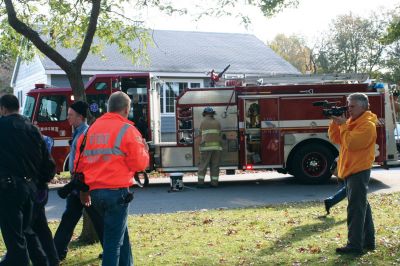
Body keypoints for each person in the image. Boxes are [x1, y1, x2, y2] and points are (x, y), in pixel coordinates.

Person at [76, 91, 149, 266]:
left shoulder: (89, 131)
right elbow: (139, 165)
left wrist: (83, 191)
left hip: (94, 194)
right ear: (126, 109)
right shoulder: (128, 130)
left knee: (119, 235)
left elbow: (79, 165)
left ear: (109, 108)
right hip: (117, 193)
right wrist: (144, 150)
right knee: (113, 244)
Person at [0, 94, 56, 266]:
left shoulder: (2, 127)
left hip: (8, 188)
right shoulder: (33, 130)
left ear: (3, 109)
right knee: (28, 233)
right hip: (30, 188)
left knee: (15, 239)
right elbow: (48, 164)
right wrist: (39, 183)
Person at [54, 101, 104, 261]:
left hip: (85, 186)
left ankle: (56, 252)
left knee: (98, 221)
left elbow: (87, 163)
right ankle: (56, 252)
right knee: (70, 219)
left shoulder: (86, 134)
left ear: (80, 117)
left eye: (70, 115)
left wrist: (84, 189)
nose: (67, 118)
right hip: (79, 185)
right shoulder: (78, 132)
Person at [328, 93, 377, 255]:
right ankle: (369, 242)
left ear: (363, 106)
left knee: (355, 209)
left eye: (352, 106)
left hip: (359, 170)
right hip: (350, 170)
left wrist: (343, 126)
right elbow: (336, 138)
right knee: (362, 206)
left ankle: (354, 245)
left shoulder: (367, 125)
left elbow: (351, 143)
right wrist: (335, 122)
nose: (348, 109)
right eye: (348, 105)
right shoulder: (352, 122)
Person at [25, 135, 60, 266]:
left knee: (29, 228)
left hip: (36, 191)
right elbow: (50, 169)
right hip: (40, 190)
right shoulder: (40, 142)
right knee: (41, 228)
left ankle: (44, 260)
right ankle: (52, 260)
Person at [197, 107, 222, 188]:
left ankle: (200, 183)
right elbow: (220, 134)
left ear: (204, 113)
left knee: (203, 165)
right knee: (215, 166)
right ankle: (214, 183)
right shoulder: (217, 122)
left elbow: (200, 134)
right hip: (217, 148)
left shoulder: (203, 122)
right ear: (213, 113)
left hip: (206, 147)